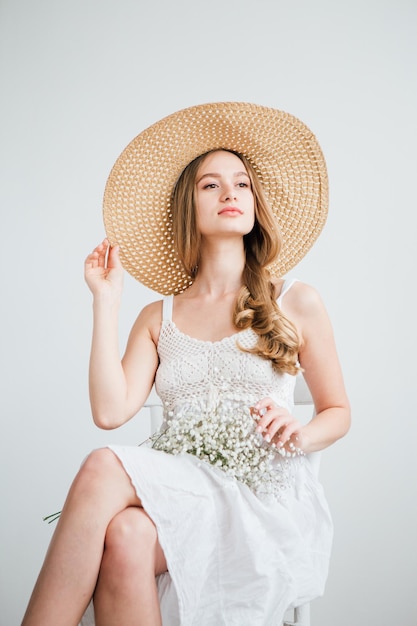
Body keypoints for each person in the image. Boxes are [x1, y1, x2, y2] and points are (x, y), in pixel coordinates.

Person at [22, 102, 351, 626]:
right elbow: (110, 412)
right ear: (189, 207)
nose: (229, 194)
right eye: (210, 185)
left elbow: (337, 410)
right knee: (127, 536)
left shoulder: (296, 300)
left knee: (105, 465)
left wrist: (300, 433)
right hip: (183, 497)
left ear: (255, 203)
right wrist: (105, 302)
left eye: (241, 184)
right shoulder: (159, 317)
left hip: (259, 502)